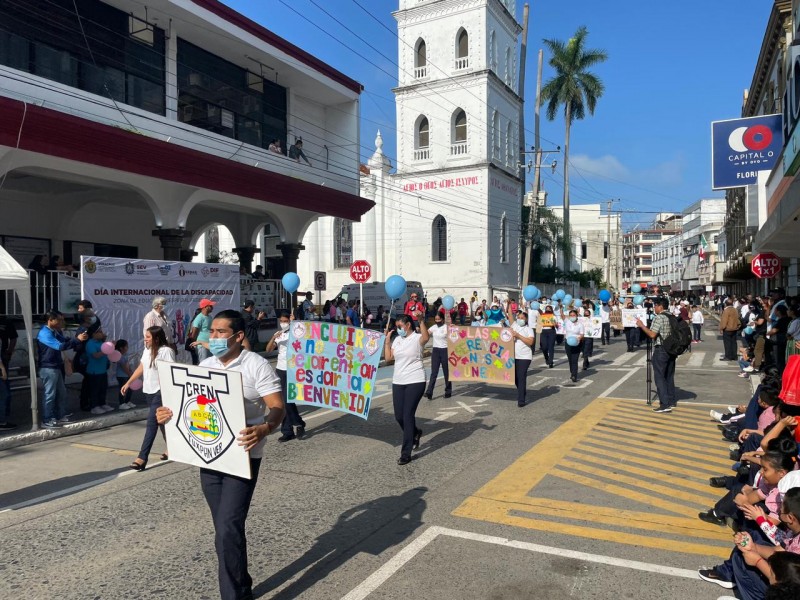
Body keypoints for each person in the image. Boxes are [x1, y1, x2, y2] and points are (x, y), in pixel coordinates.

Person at [155, 310, 284, 600]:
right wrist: (167, 415)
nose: (212, 337)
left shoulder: (256, 366)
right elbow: (191, 407)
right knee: (224, 531)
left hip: (243, 458)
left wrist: (265, 427)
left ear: (238, 337)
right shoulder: (206, 365)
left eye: (219, 332)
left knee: (228, 527)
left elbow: (277, 406)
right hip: (209, 458)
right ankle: (240, 584)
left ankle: (234, 595)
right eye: (211, 331)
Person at [122, 326, 175, 470]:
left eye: (148, 337)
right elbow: (142, 366)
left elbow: (171, 371)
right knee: (162, 422)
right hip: (148, 391)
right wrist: (129, 382)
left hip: (161, 391)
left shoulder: (166, 351)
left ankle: (142, 458)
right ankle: (171, 448)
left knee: (152, 423)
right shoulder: (147, 349)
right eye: (145, 336)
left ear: (157, 338)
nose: (145, 339)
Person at [384, 311, 429, 465]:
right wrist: (387, 341)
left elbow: (426, 338)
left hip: (415, 380)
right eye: (396, 327)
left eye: (400, 326)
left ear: (408, 325)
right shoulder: (397, 340)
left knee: (408, 414)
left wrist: (421, 320)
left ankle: (406, 453)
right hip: (398, 381)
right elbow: (389, 358)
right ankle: (415, 432)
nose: (398, 329)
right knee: (399, 416)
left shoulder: (417, 338)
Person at [36, 310, 88, 428]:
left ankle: (60, 416)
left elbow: (65, 341)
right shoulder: (45, 333)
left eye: (62, 319)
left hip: (56, 366)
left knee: (61, 393)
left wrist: (78, 338)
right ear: (50, 320)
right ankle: (47, 419)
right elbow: (60, 346)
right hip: (48, 368)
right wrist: (77, 340)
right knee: (50, 394)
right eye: (59, 320)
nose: (62, 322)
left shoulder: (54, 331)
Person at [266, 311, 306, 442]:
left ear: (290, 320)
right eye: (281, 321)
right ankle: (288, 430)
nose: (283, 323)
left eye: (285, 321)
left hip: (293, 369)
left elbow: (303, 335)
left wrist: (295, 323)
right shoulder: (279, 334)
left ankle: (297, 424)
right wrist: (274, 338)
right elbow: (268, 350)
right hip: (280, 369)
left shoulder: (296, 333)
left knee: (288, 400)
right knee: (283, 401)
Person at [636, 298, 678, 413]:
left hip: (662, 349)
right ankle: (671, 400)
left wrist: (642, 326)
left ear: (660, 306)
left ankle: (664, 404)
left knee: (659, 376)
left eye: (655, 306)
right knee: (669, 376)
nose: (654, 308)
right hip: (672, 349)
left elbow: (652, 334)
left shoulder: (659, 317)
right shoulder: (672, 316)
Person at [85, 328, 112, 415]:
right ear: (93, 334)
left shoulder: (101, 342)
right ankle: (94, 406)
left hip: (103, 370)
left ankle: (102, 404)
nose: (101, 333)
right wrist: (106, 350)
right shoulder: (90, 343)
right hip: (94, 371)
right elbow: (95, 355)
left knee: (103, 388)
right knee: (95, 389)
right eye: (99, 332)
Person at [425, 312, 451, 400]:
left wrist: (454, 328)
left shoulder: (446, 328)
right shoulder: (433, 327)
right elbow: (425, 334)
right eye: (436, 319)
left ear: (442, 319)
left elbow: (455, 335)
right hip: (435, 350)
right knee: (434, 372)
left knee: (446, 372)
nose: (437, 321)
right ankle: (429, 391)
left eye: (439, 319)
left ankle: (448, 391)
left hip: (445, 350)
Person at [511, 310, 534, 407]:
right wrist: (508, 306)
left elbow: (530, 342)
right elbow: (509, 316)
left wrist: (518, 336)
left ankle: (521, 400)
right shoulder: (514, 326)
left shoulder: (529, 329)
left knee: (521, 376)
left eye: (522, 318)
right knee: (515, 378)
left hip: (525, 357)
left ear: (526, 319)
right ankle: (522, 391)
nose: (520, 319)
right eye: (518, 317)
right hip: (513, 356)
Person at [563, 309, 585, 383]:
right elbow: (562, 316)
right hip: (568, 343)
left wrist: (579, 338)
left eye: (574, 315)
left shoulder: (580, 324)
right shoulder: (567, 322)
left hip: (576, 343)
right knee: (570, 359)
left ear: (577, 316)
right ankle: (572, 372)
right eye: (571, 315)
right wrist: (560, 307)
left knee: (574, 360)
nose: (572, 317)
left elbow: (582, 334)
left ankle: (574, 375)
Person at [115, 339, 135, 410]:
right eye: (126, 346)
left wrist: (131, 372)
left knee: (130, 389)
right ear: (121, 348)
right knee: (123, 389)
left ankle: (127, 401)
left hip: (127, 374)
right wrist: (130, 374)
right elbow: (124, 367)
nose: (127, 348)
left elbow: (128, 365)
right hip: (121, 376)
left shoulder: (125, 355)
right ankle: (121, 403)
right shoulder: (119, 356)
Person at [539, 304, 557, 368]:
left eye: (549, 308)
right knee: (544, 347)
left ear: (551, 310)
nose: (548, 309)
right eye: (547, 308)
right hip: (543, 331)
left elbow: (557, 325)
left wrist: (555, 324)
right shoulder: (542, 315)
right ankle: (547, 358)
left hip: (551, 331)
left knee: (551, 347)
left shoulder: (554, 316)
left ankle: (551, 361)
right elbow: (539, 311)